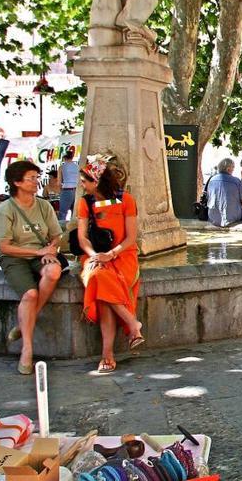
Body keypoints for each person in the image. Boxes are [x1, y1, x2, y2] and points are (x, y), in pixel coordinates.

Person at [0, 161, 63, 375]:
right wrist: (38, 253)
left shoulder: (43, 205)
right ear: (17, 182)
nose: (36, 182)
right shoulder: (6, 210)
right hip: (14, 257)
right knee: (30, 294)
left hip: (41, 252)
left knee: (54, 271)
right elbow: (4, 247)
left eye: (36, 177)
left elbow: (56, 235)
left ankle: (23, 325)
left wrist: (50, 249)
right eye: (31, 178)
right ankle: (27, 349)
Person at [76, 154, 145, 374]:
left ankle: (107, 354)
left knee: (104, 293)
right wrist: (95, 255)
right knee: (98, 276)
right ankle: (132, 324)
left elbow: (130, 237)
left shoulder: (126, 200)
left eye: (85, 180)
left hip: (123, 254)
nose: (82, 184)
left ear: (97, 181)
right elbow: (82, 238)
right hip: (95, 254)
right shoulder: (85, 202)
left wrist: (112, 254)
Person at [207, 158, 242, 227]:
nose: (233, 169)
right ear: (228, 169)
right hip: (232, 219)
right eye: (233, 167)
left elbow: (209, 197)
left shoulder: (212, 180)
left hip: (213, 218)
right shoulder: (236, 181)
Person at [57, 151, 79, 221]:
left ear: (64, 158)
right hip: (77, 190)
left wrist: (60, 192)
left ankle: (62, 230)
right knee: (74, 214)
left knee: (63, 213)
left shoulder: (62, 167)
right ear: (72, 157)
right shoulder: (77, 167)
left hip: (66, 190)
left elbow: (59, 182)